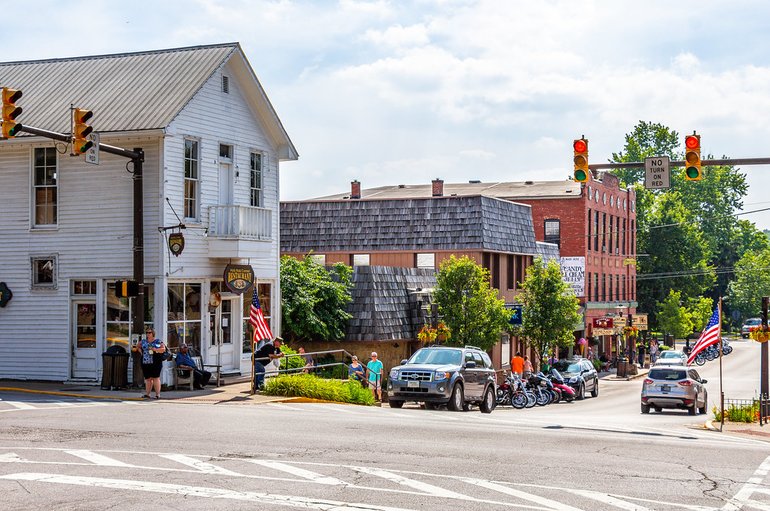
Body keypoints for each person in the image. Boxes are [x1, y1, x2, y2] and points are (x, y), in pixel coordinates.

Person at [134, 329, 166, 399]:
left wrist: (155, 349)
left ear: (153, 333)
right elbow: (137, 346)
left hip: (156, 362)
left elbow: (163, 349)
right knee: (148, 379)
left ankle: (157, 394)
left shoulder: (158, 341)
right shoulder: (143, 341)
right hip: (145, 362)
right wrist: (141, 352)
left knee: (156, 378)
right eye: (147, 333)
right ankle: (147, 394)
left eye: (149, 332)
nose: (148, 334)